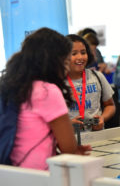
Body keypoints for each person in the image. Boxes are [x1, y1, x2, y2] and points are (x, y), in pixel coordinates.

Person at [0, 28, 91, 170]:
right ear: (53, 61)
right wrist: (76, 151)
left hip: (11, 171)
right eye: (66, 61)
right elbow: (69, 149)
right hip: (39, 175)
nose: (66, 68)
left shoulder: (14, 86)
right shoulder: (47, 91)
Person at [66, 34, 115, 131]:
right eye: (74, 53)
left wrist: (102, 118)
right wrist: (68, 124)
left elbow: (110, 105)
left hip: (97, 138)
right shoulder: (56, 83)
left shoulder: (97, 77)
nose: (80, 57)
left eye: (83, 52)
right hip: (70, 140)